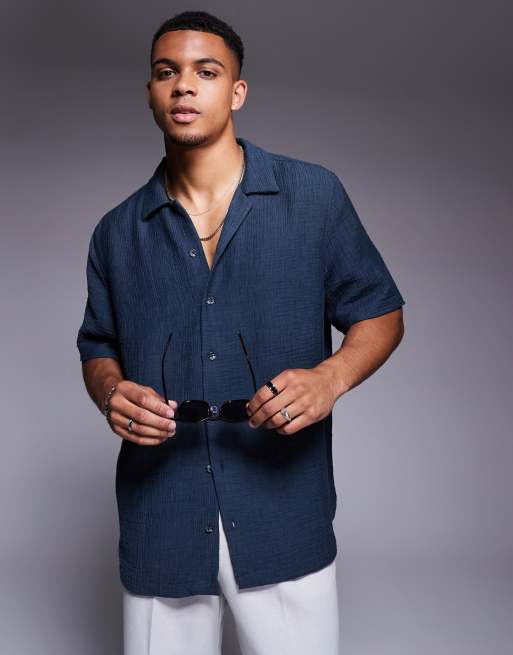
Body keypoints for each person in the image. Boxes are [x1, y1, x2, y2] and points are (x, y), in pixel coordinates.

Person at [76, 10, 406, 655]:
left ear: (237, 91)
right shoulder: (116, 232)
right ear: (150, 91)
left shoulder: (314, 196)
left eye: (206, 72)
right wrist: (110, 391)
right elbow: (98, 345)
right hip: (161, 514)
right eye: (167, 72)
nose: (183, 86)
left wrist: (331, 378)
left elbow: (382, 311)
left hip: (284, 509)